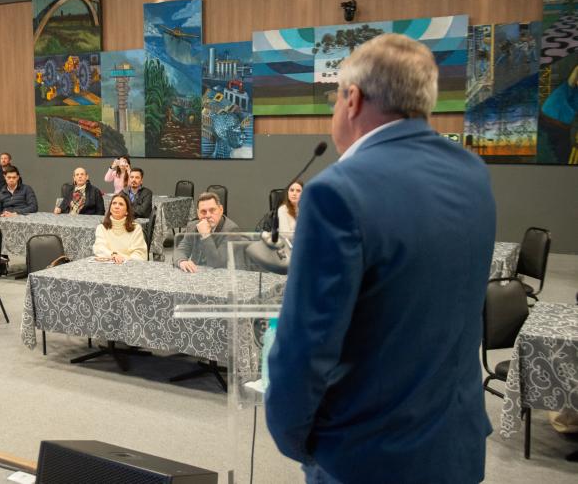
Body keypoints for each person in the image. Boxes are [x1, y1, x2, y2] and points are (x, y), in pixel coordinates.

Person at [264, 34, 496, 484]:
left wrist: (294, 440)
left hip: (366, 456)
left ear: (352, 99)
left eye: (334, 98)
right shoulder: (472, 174)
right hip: (455, 445)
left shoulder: (337, 192)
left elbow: (306, 345)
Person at [173, 192, 239, 272]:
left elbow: (218, 264)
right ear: (198, 213)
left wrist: (206, 235)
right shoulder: (193, 226)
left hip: (221, 277)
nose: (208, 215)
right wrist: (182, 262)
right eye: (203, 211)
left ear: (221, 210)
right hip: (197, 274)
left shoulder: (231, 230)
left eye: (212, 210)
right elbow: (180, 250)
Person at [93, 193, 147, 262]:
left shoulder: (136, 228)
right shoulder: (101, 228)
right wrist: (113, 255)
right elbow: (99, 248)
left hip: (129, 267)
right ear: (110, 209)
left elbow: (140, 254)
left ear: (127, 211)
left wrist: (123, 258)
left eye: (121, 204)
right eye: (114, 203)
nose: (116, 206)